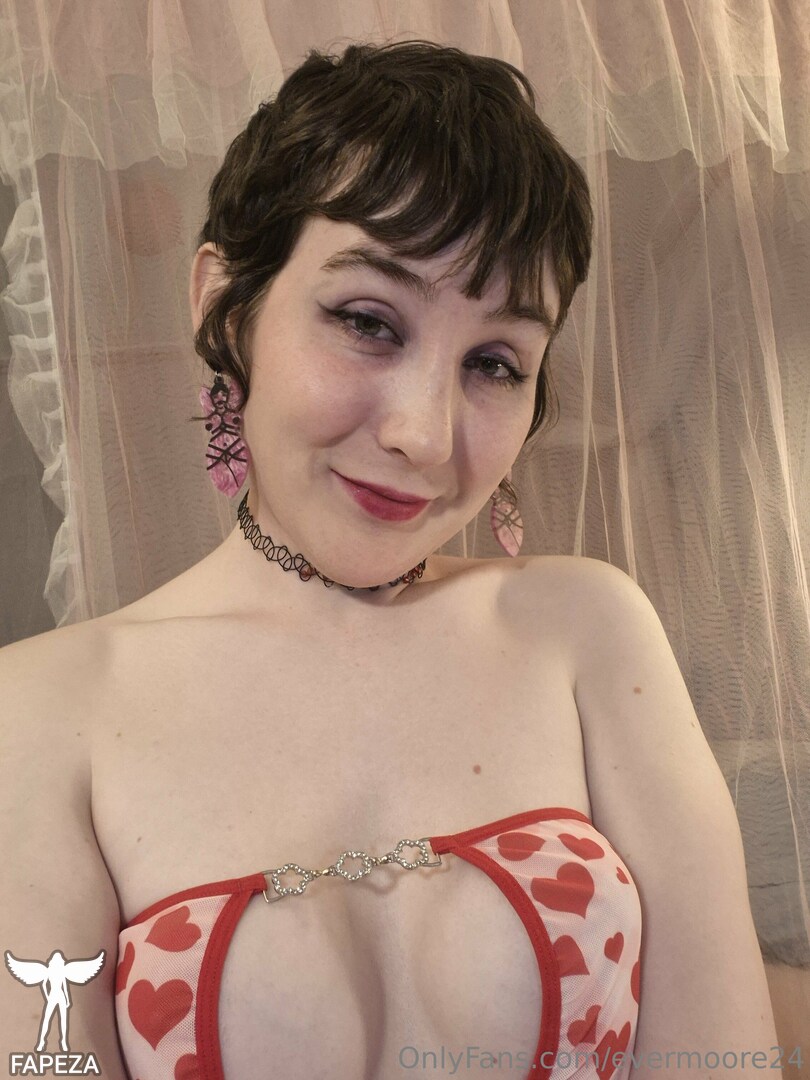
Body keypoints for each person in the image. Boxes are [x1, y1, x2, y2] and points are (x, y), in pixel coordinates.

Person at [1, 39, 780, 1080]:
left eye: (494, 363)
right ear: (225, 305)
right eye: (368, 321)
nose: (424, 432)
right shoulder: (39, 713)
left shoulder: (587, 630)